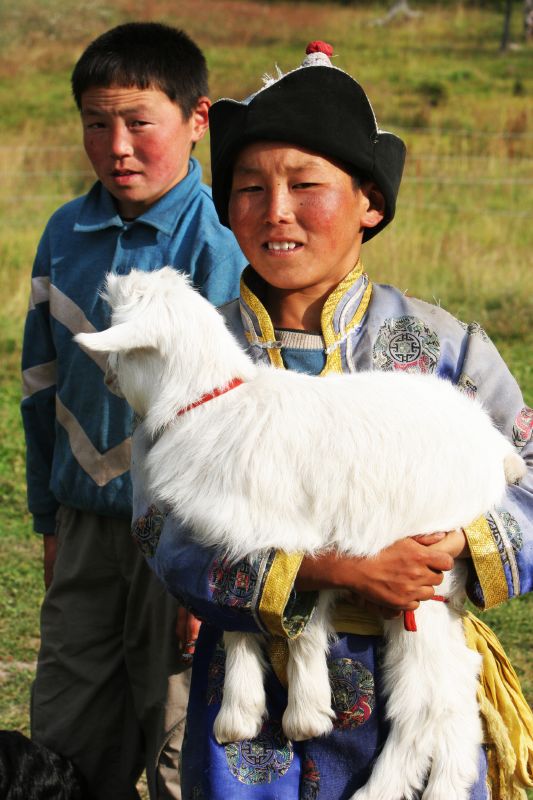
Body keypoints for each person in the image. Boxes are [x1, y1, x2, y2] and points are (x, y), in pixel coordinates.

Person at [131, 42, 533, 799]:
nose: (274, 210)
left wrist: (453, 545)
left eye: (304, 184)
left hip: (409, 687)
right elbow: (156, 521)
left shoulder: (443, 348)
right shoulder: (191, 353)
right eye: (249, 188)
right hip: (254, 713)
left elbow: (529, 480)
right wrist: (326, 569)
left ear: (368, 203)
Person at [21, 21, 245, 800]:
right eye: (95, 122)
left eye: (138, 122)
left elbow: (228, 422)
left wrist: (208, 562)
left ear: (197, 119)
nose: (116, 146)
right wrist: (51, 521)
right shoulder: (64, 235)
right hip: (85, 530)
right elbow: (41, 386)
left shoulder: (219, 243)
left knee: (182, 738)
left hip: (180, 538)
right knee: (66, 731)